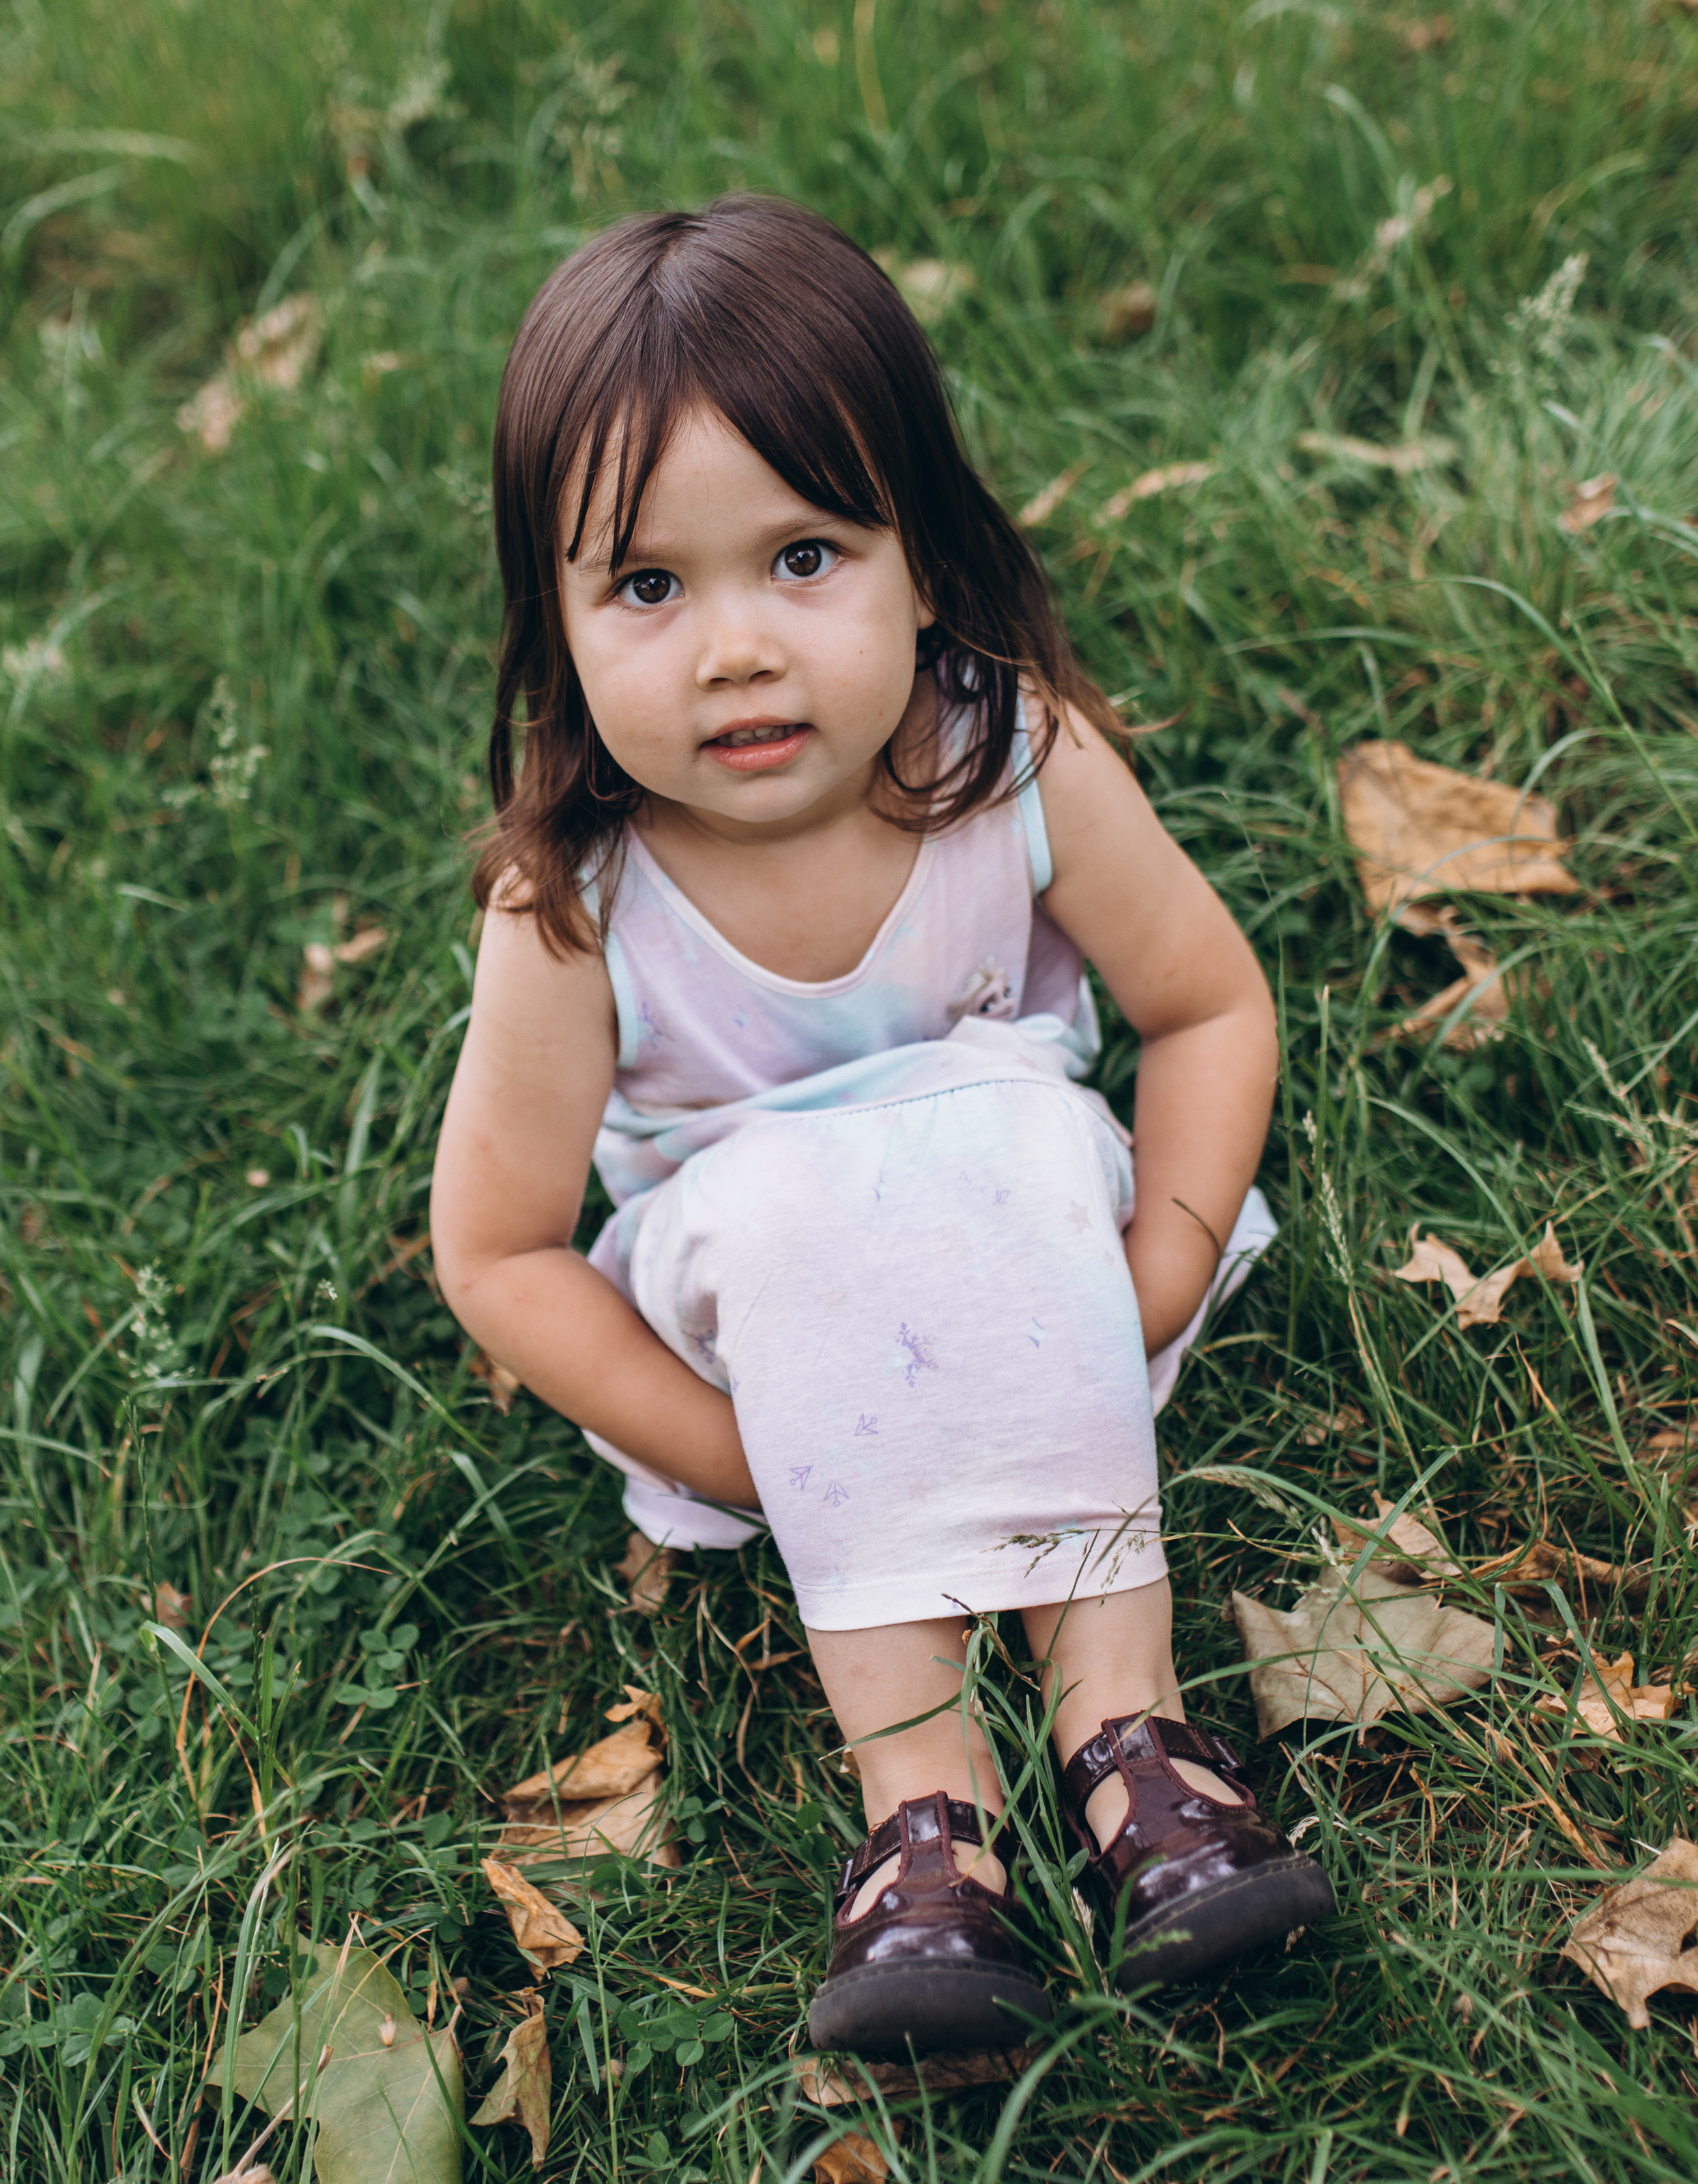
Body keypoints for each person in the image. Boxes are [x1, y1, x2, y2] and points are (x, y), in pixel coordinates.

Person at [431, 195, 1333, 2060]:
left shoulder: (1014, 769)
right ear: (560, 624)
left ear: (925, 557)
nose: (737, 650)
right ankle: (926, 1822)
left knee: (998, 1132)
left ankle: (1131, 1741)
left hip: (1044, 1285)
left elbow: (1208, 1004)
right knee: (783, 1211)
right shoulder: (579, 909)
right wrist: (735, 1446)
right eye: (651, 588)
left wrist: (1158, 1266)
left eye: (806, 554)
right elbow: (498, 1246)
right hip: (770, 1336)